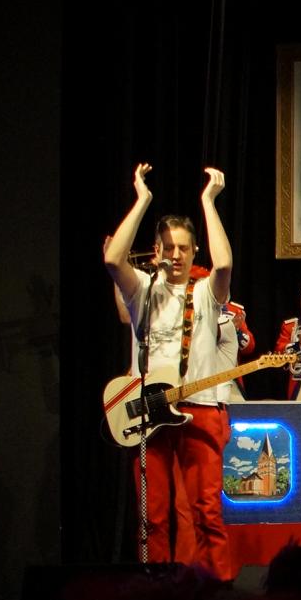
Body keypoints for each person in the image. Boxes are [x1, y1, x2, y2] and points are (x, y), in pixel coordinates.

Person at [103, 162, 235, 578]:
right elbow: (113, 258)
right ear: (157, 252)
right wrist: (142, 199)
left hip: (199, 407)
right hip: (149, 411)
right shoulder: (142, 290)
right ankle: (156, 590)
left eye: (183, 248)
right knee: (153, 515)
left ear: (194, 252)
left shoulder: (206, 292)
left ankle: (215, 590)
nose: (176, 255)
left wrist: (208, 202)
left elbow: (225, 264)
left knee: (206, 512)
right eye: (168, 247)